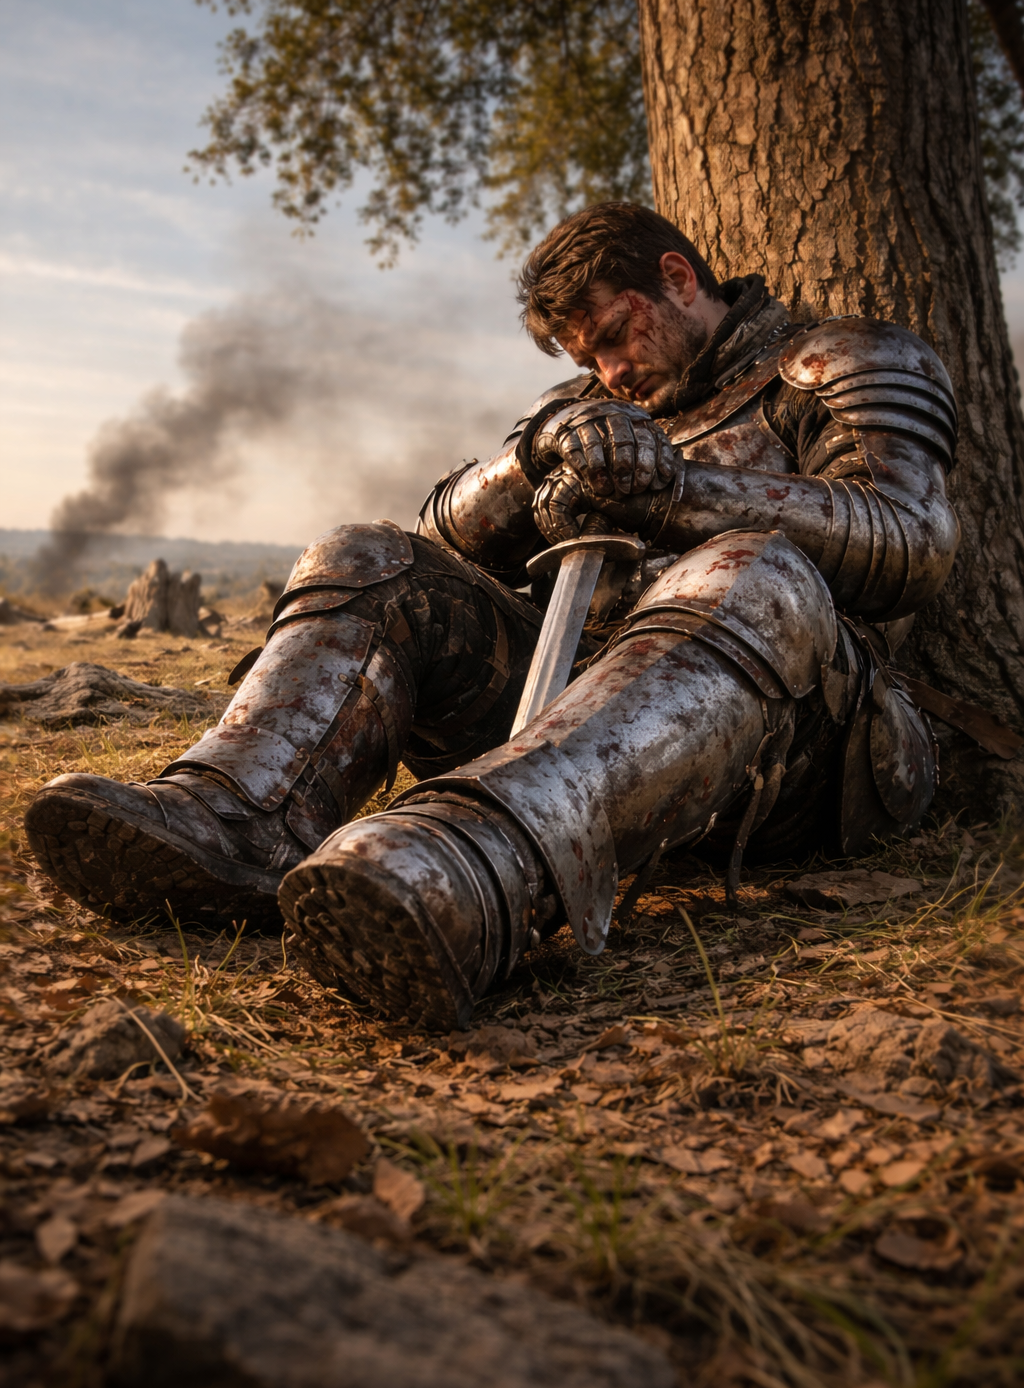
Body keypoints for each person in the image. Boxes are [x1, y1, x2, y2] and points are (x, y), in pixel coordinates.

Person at [26, 203, 959, 1030]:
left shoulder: (841, 363)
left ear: (677, 279)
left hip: (796, 748)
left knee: (747, 566)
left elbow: (912, 541)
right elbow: (435, 538)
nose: (609, 369)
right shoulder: (581, 408)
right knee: (366, 554)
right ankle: (236, 821)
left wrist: (678, 490)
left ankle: (469, 878)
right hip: (578, 716)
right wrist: (537, 452)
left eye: (615, 335)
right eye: (585, 356)